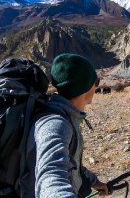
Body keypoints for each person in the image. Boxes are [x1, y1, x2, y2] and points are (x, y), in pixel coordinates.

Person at [28, 53, 109, 198]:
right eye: (95, 81)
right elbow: (50, 175)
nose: (97, 87)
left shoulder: (67, 115)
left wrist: (94, 181)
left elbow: (72, 163)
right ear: (85, 87)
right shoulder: (56, 124)